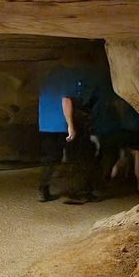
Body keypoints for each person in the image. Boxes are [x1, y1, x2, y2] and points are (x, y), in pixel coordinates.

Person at [37, 65, 84, 202]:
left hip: (46, 126)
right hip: (61, 126)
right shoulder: (66, 81)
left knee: (50, 159)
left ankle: (43, 189)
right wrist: (70, 125)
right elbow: (66, 101)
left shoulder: (44, 83)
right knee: (74, 157)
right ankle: (74, 190)